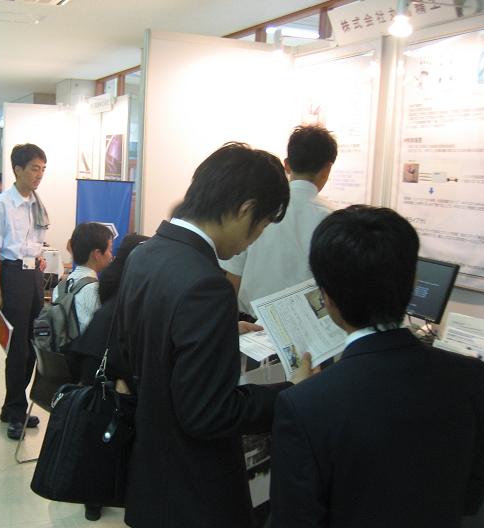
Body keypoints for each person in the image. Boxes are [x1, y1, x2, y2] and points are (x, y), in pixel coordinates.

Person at [114, 142, 313, 527]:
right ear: (245, 210)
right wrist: (291, 394)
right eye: (262, 225)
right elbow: (208, 413)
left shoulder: (146, 254)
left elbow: (132, 351)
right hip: (194, 488)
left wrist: (217, 331)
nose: (255, 239)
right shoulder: (207, 285)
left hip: (150, 471)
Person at [270, 205, 484, 528]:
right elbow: (470, 496)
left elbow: (294, 520)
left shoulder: (304, 405)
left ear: (327, 298)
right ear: (414, 282)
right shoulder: (472, 377)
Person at [66, 232, 147, 522]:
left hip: (91, 362)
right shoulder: (133, 289)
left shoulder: (112, 282)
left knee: (98, 430)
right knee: (113, 429)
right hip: (110, 369)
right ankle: (108, 492)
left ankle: (94, 499)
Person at [221, 124, 338, 317]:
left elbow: (233, 277)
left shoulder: (254, 208)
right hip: (307, 324)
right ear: (327, 169)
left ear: (287, 164)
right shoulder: (333, 220)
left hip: (250, 324)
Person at [0, 143, 50, 440]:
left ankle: (14, 404)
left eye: (43, 169)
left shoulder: (37, 204)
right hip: (11, 276)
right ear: (17, 169)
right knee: (17, 348)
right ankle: (15, 410)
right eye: (34, 168)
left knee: (34, 344)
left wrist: (39, 258)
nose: (39, 175)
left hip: (33, 276)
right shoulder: (0, 205)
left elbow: (35, 242)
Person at [54, 222, 114, 332]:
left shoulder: (59, 287)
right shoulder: (94, 289)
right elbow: (94, 332)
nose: (111, 256)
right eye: (110, 250)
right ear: (97, 254)